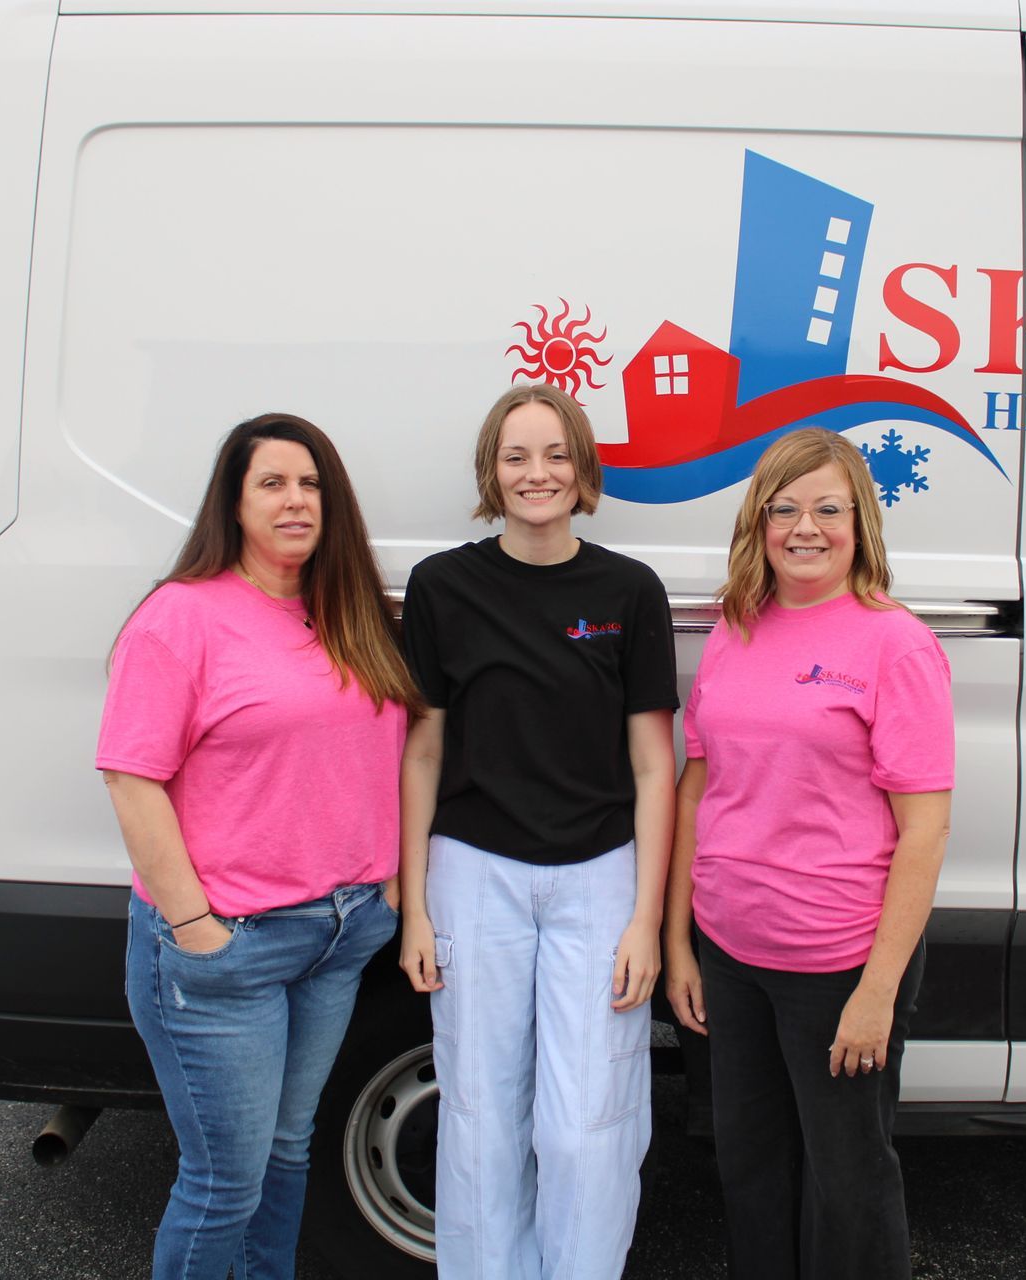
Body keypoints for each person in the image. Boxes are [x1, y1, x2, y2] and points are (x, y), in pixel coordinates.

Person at [96, 413, 421, 1280]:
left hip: (340, 935)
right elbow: (132, 778)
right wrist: (196, 925)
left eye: (310, 483)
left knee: (286, 1154)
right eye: (272, 483)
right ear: (233, 504)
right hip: (229, 946)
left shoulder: (347, 613)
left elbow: (383, 753)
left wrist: (385, 884)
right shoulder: (182, 618)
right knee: (223, 1183)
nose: (295, 500)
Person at [396, 383, 678, 1280]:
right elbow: (422, 752)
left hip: (599, 877)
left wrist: (645, 918)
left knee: (586, 1122)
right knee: (480, 1114)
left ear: (583, 470)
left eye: (555, 454)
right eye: (516, 456)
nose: (537, 473)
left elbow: (651, 767)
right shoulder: (445, 586)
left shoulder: (629, 591)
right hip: (473, 875)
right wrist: (411, 908)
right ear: (491, 472)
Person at [662, 427, 954, 1280]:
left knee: (847, 1182)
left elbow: (925, 830)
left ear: (860, 521)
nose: (805, 527)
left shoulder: (894, 644)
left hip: (837, 962)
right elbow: (696, 787)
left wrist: (877, 990)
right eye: (784, 509)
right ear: (758, 524)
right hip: (733, 956)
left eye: (828, 508)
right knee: (749, 1170)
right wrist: (683, 942)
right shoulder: (735, 629)